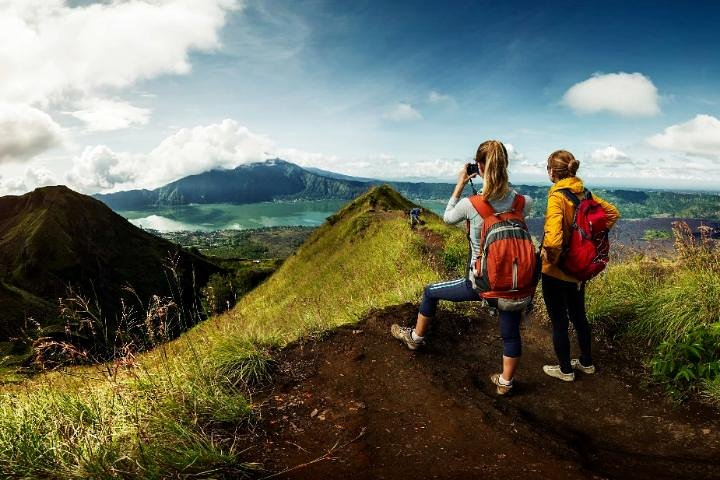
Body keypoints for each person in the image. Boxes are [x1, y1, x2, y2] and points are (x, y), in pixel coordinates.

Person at [390, 140, 533, 395]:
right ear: (506, 167)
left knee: (430, 291)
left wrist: (460, 183)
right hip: (513, 284)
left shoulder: (472, 204)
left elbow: (447, 217)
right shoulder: (524, 202)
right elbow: (509, 203)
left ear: (478, 166)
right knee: (510, 334)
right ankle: (505, 382)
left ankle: (416, 338)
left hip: (480, 283)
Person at [541, 150, 619, 382]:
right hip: (579, 270)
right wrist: (586, 242)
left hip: (557, 271)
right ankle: (586, 362)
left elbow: (553, 239)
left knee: (559, 321)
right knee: (579, 316)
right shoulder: (584, 193)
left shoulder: (557, 196)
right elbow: (611, 213)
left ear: (552, 172)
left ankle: (565, 370)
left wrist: (551, 259)